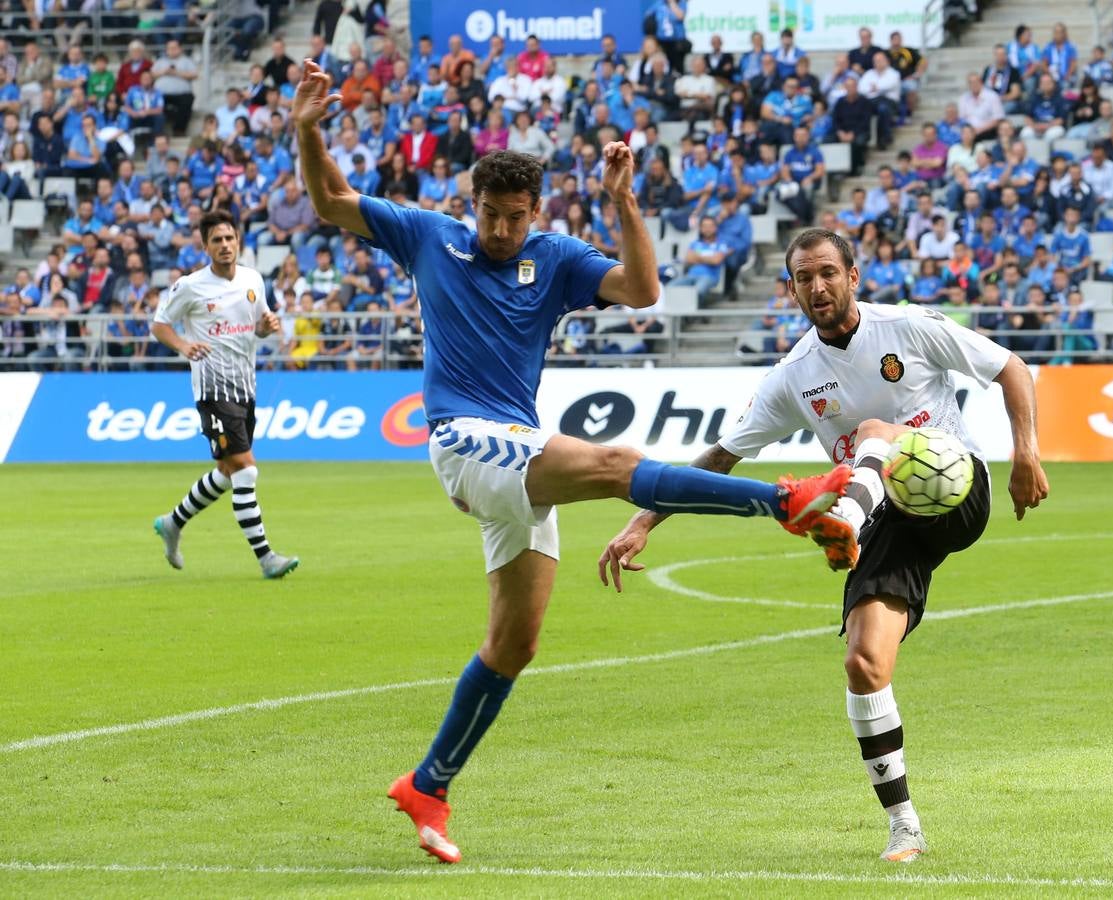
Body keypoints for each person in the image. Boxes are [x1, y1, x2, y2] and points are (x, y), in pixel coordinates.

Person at [290, 59, 854, 864]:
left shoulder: (552, 257)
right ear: (473, 205)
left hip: (516, 453)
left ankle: (428, 785)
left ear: (537, 211)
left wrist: (624, 202)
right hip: (464, 440)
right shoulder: (428, 235)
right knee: (616, 463)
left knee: (514, 645)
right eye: (490, 215)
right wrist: (308, 132)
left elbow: (643, 290)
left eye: (515, 218)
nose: (500, 231)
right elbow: (331, 201)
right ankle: (784, 502)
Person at [598, 227, 1049, 865]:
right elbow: (721, 456)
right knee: (864, 663)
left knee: (874, 431)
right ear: (791, 290)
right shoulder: (793, 376)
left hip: (955, 488)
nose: (818, 287)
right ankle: (905, 827)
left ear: (853, 276)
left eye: (828, 273)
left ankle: (843, 518)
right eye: (804, 278)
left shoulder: (908, 327)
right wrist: (645, 520)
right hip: (888, 518)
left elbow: (1011, 368)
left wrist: (1026, 453)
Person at [150, 210, 297, 580]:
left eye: (229, 238)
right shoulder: (190, 286)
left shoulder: (252, 279)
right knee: (246, 470)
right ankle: (266, 558)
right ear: (205, 246)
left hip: (246, 386)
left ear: (238, 241)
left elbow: (259, 326)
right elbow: (160, 325)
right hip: (213, 389)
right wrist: (183, 345)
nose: (225, 245)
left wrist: (266, 327)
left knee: (227, 472)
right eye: (217, 240)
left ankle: (172, 522)